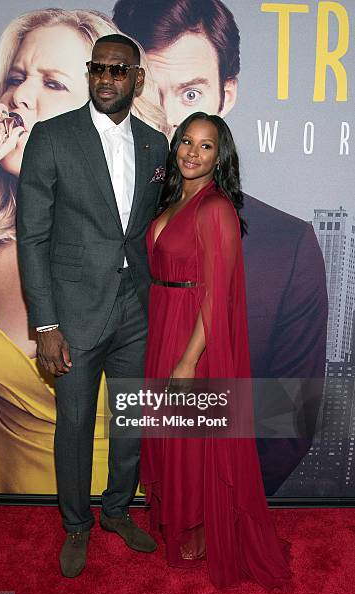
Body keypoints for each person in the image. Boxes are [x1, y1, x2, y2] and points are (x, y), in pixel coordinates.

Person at [113, 0, 328, 496]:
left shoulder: (286, 246)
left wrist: (224, 500)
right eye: (148, 92)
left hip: (217, 491)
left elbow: (291, 413)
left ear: (225, 96)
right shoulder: (107, 224)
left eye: (190, 93)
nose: (169, 122)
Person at [0, 9, 164, 494]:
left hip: (132, 487)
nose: (20, 95)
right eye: (18, 77)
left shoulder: (150, 207)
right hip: (1, 496)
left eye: (53, 83)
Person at [16, 34, 169, 578]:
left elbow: (158, 229)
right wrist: (46, 324)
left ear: (137, 78)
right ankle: (76, 525)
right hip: (74, 315)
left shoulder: (156, 145)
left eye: (118, 71)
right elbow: (31, 236)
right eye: (98, 69)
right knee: (75, 425)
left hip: (136, 310)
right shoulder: (53, 137)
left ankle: (118, 510)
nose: (107, 79)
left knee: (129, 421)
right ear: (90, 74)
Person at [142, 111, 292, 590]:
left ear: (219, 156)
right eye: (187, 141)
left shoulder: (216, 208)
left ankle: (198, 538)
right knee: (171, 438)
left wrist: (188, 360)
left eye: (206, 146)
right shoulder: (171, 200)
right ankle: (182, 528)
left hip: (194, 339)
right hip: (164, 324)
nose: (192, 152)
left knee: (192, 444)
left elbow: (217, 294)